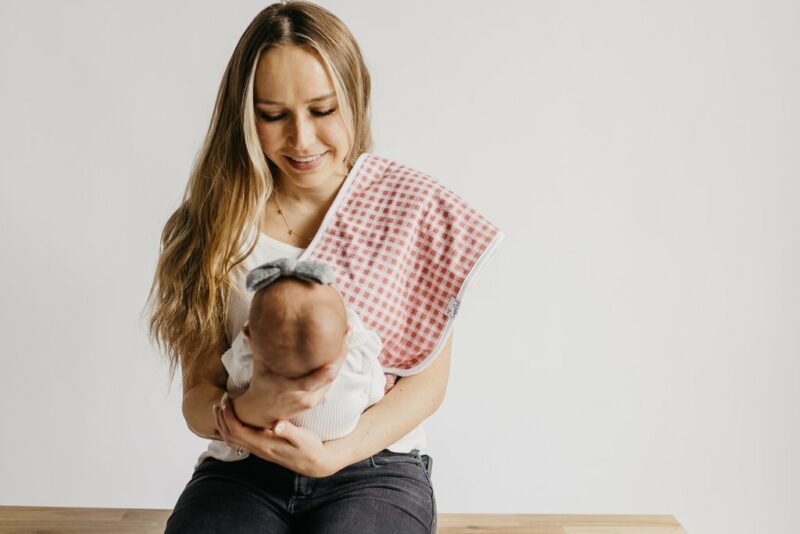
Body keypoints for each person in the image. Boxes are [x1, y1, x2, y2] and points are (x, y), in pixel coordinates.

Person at [147, 2, 502, 532]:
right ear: (245, 114)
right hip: (244, 468)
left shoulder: (409, 212)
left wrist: (336, 453)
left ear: (356, 97)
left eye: (322, 110)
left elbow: (425, 386)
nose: (302, 139)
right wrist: (242, 418)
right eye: (273, 115)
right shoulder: (210, 226)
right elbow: (198, 396)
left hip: (374, 466)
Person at [197, 257, 389, 466]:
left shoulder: (246, 360)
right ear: (347, 333)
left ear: (248, 334)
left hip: (263, 447)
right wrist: (382, 386)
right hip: (346, 436)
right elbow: (375, 387)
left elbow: (231, 383)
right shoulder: (355, 357)